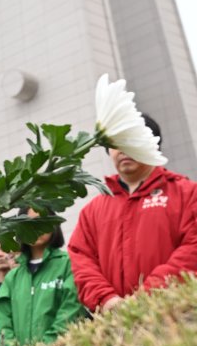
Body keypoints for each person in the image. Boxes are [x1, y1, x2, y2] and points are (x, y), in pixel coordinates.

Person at [69, 115, 197, 312]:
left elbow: (192, 249)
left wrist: (149, 295)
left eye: (132, 139)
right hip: (117, 324)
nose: (123, 149)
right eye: (116, 142)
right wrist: (107, 300)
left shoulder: (187, 193)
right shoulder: (92, 210)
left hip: (177, 314)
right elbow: (81, 260)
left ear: (152, 144)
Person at [0, 211, 86, 346]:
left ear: (53, 223)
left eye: (42, 220)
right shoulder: (13, 277)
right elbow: (3, 324)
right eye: (28, 222)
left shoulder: (69, 264)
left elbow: (70, 311)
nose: (36, 227)